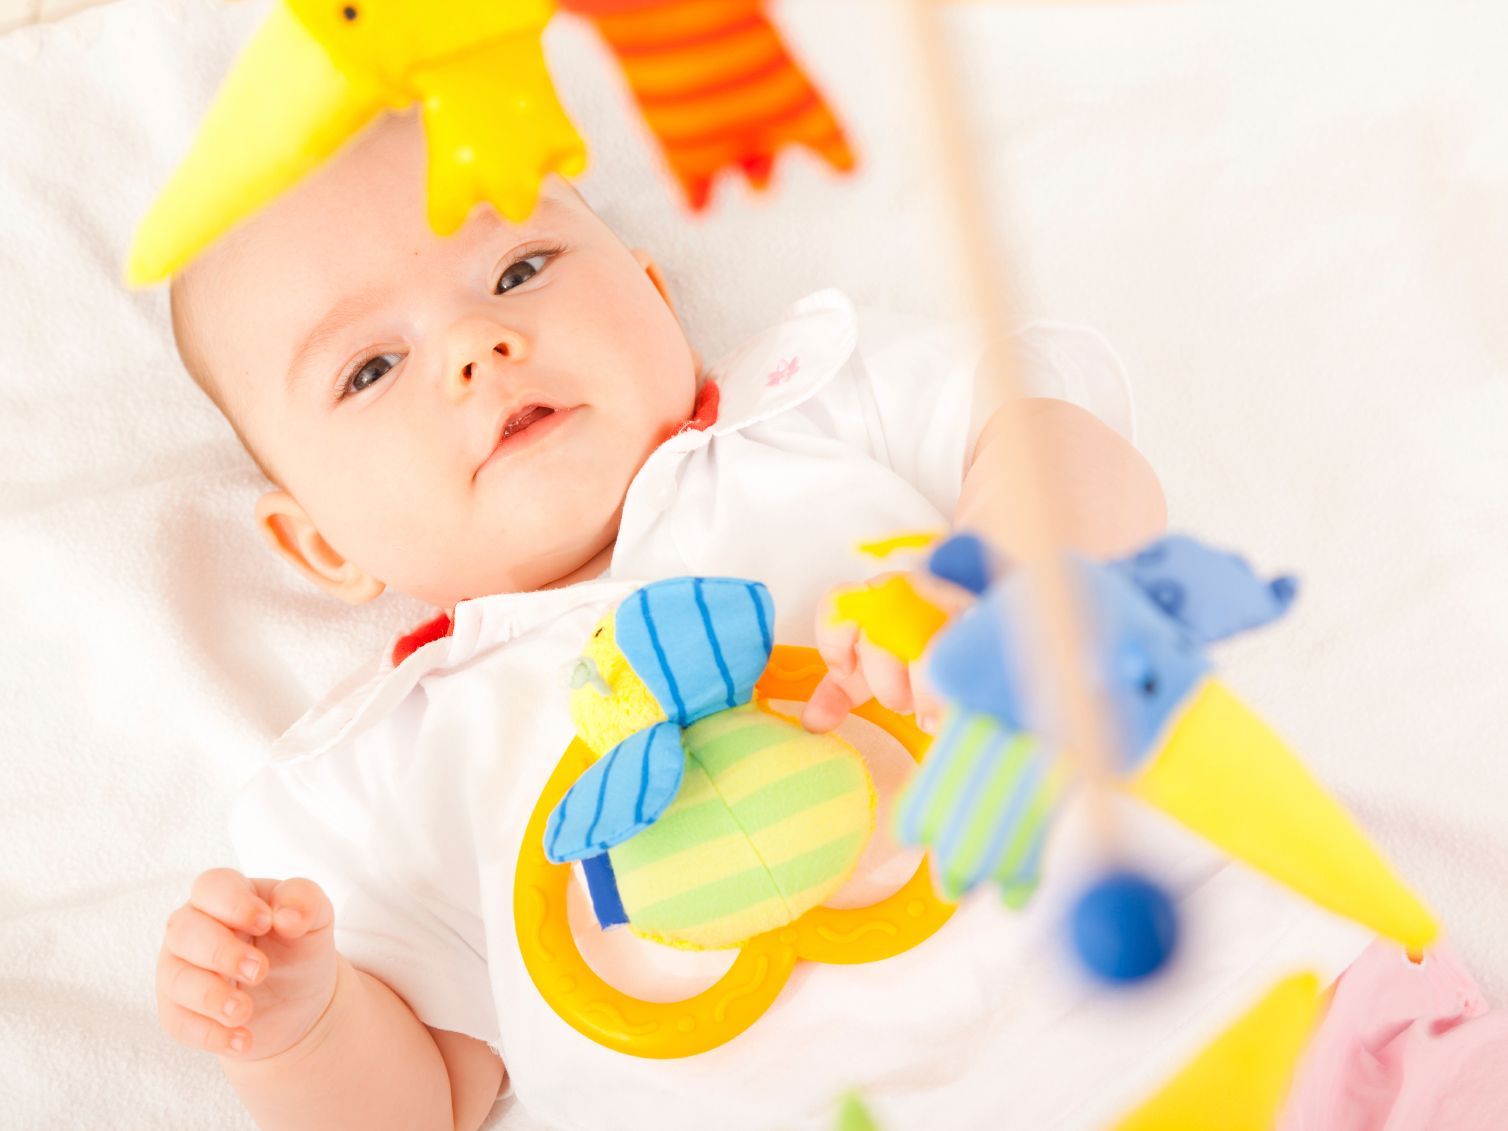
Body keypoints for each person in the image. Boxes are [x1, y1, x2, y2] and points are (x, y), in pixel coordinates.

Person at [157, 108, 1465, 1131]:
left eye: (521, 266)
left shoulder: (823, 407)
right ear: (317, 542)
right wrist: (300, 1027)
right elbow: (421, 1103)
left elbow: (1063, 443)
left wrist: (1002, 576)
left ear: (657, 295)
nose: (475, 345)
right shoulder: (380, 777)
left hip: (1253, 1021)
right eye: (371, 368)